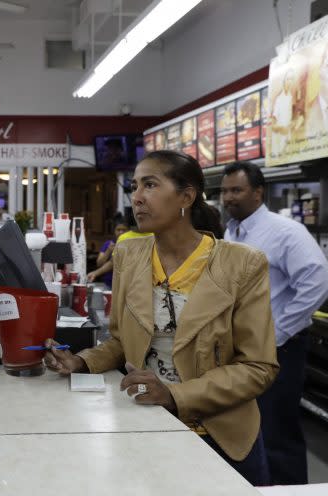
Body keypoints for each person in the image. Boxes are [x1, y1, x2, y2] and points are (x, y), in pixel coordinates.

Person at [45, 150, 277, 486]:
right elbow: (123, 342)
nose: (136, 197)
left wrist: (174, 394)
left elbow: (258, 368)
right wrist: (80, 362)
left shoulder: (242, 264)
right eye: (135, 186)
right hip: (146, 423)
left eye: (150, 185)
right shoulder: (129, 253)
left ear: (186, 196)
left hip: (216, 437)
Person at [221, 161, 328, 485]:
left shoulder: (285, 232)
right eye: (224, 191)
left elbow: (318, 281)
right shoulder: (232, 232)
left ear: (258, 192)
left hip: (277, 350)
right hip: (243, 349)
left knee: (277, 430)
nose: (228, 198)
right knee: (250, 428)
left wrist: (277, 333)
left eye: (236, 190)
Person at [87, 220, 128, 286]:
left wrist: (95, 273)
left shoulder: (130, 245)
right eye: (118, 230)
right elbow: (99, 263)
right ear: (114, 231)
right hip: (108, 283)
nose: (121, 232)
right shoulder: (108, 244)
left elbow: (113, 262)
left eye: (124, 230)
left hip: (124, 284)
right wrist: (108, 250)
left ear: (128, 232)